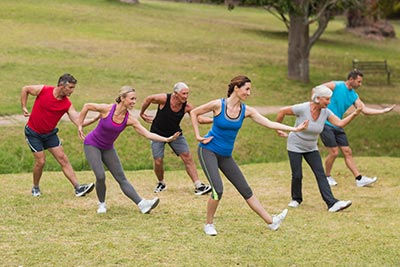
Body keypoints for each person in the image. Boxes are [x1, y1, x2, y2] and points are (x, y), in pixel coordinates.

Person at [190, 75, 309, 236]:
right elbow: (194, 112)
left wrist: (294, 129)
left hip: (225, 155)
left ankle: (271, 221)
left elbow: (268, 122)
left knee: (245, 189)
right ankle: (208, 224)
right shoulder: (218, 105)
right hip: (208, 150)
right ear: (236, 88)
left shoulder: (246, 111)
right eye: (247, 89)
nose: (249, 93)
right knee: (218, 189)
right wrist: (198, 136)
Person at [78, 86, 180, 214]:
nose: (134, 102)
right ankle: (102, 204)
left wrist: (166, 139)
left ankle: (142, 204)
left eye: (135, 99)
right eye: (131, 99)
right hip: (92, 144)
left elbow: (147, 134)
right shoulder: (107, 109)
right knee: (100, 175)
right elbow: (87, 106)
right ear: (122, 98)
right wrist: (80, 125)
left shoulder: (130, 119)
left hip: (108, 148)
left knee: (121, 178)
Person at [276, 85, 362, 211]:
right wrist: (278, 129)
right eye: (327, 99)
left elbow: (340, 123)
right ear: (318, 98)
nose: (329, 102)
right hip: (295, 145)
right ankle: (296, 199)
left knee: (320, 174)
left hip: (311, 147)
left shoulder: (326, 112)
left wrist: (355, 113)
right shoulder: (303, 108)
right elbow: (282, 111)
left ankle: (332, 203)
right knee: (297, 175)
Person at [21, 73, 95, 197]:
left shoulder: (67, 104)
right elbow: (25, 89)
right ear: (62, 85)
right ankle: (35, 187)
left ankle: (78, 188)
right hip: (33, 133)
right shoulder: (44, 90)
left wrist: (95, 118)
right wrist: (24, 106)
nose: (72, 91)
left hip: (50, 134)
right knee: (41, 161)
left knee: (63, 159)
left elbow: (78, 121)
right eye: (70, 87)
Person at [319, 69, 396, 187]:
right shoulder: (336, 85)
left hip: (339, 124)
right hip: (326, 124)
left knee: (347, 151)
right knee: (334, 152)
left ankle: (359, 179)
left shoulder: (354, 95)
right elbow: (316, 89)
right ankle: (327, 177)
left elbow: (364, 110)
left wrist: (383, 111)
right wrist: (315, 107)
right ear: (351, 79)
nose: (360, 84)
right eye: (359, 82)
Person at [140, 82, 212, 195]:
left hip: (175, 134)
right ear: (175, 94)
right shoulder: (164, 99)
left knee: (187, 157)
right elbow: (149, 98)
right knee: (158, 161)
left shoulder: (187, 106)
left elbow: (200, 119)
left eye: (187, 93)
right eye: (183, 93)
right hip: (157, 134)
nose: (186, 96)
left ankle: (198, 186)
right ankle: (161, 183)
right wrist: (142, 113)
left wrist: (216, 120)